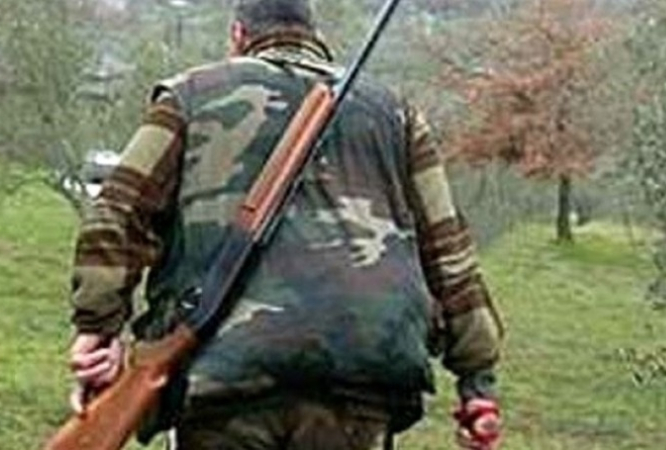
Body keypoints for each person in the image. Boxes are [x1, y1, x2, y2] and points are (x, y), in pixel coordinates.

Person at [65, 0, 505, 449]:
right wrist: (478, 383)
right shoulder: (398, 115)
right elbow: (448, 253)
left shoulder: (190, 95)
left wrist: (97, 330)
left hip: (225, 377)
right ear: (315, 36)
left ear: (238, 35)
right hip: (363, 376)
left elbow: (117, 215)